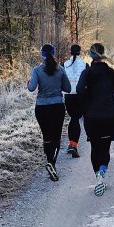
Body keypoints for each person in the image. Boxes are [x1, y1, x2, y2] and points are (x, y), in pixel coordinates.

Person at [75, 42, 114, 197]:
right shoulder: (110, 71)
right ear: (103, 53)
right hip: (109, 116)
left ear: (90, 55)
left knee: (95, 148)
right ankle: (102, 173)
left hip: (91, 117)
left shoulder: (87, 72)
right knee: (105, 147)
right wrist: (109, 90)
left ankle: (98, 174)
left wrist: (89, 93)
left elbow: (78, 90)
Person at [28, 44, 70, 182]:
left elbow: (31, 88)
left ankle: (49, 161)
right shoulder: (61, 70)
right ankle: (52, 163)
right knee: (56, 136)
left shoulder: (37, 70)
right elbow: (68, 89)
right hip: (57, 106)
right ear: (54, 53)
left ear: (42, 54)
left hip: (42, 107)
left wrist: (29, 82)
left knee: (47, 136)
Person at [62, 44, 88, 158]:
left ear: (70, 51)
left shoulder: (64, 64)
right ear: (80, 52)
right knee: (80, 118)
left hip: (68, 95)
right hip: (81, 95)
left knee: (73, 119)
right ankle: (75, 145)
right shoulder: (84, 64)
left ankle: (72, 144)